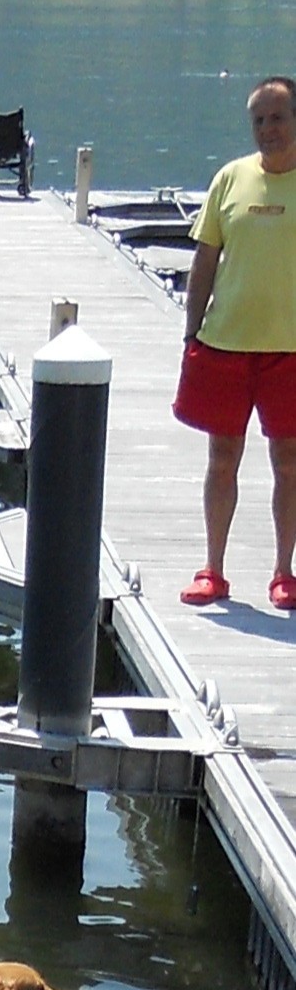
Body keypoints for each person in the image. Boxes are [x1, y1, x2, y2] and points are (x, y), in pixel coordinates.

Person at [173, 75, 296, 608]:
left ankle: (283, 571)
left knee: (288, 462)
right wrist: (191, 330)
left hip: (289, 351)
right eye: (259, 120)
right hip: (225, 343)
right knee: (222, 457)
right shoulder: (230, 179)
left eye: (277, 118)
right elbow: (205, 261)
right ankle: (214, 570)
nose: (267, 129)